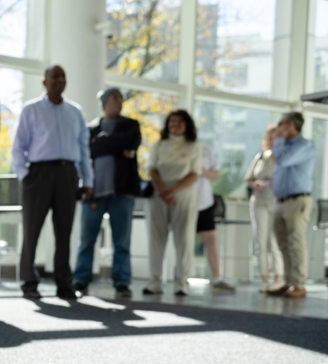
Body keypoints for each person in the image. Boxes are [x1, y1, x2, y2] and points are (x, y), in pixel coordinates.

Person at [12, 65, 93, 300]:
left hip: (68, 175)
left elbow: (83, 149)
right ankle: (29, 280)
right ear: (44, 82)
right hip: (38, 175)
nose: (59, 80)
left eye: (63, 76)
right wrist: (24, 176)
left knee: (64, 232)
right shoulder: (31, 110)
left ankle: (64, 284)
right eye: (54, 76)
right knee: (32, 229)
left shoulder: (75, 112)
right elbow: (18, 147)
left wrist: (87, 180)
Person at [72, 88, 141, 298]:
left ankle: (121, 282)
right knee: (87, 240)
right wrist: (116, 146)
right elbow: (87, 150)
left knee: (122, 241)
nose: (118, 102)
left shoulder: (131, 125)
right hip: (93, 192)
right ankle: (81, 280)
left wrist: (103, 142)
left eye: (120, 98)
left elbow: (130, 142)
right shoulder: (90, 128)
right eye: (113, 98)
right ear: (103, 103)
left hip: (122, 192)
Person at [143, 110, 202, 296]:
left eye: (179, 121)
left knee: (183, 239)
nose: (175, 125)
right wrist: (162, 190)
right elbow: (151, 169)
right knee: (156, 238)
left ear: (187, 125)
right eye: (172, 121)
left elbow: (194, 174)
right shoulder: (158, 145)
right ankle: (155, 280)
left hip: (182, 196)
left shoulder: (194, 147)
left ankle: (181, 281)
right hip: (158, 195)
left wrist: (172, 191)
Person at [267, 111, 315, 298]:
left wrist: (278, 140)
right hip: (280, 200)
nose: (278, 128)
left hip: (297, 200)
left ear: (291, 125)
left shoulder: (305, 145)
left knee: (295, 242)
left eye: (281, 124)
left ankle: (299, 284)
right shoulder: (284, 146)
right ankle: (289, 282)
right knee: (283, 243)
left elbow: (283, 160)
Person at [244, 125, 283, 292]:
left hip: (276, 204)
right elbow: (248, 178)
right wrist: (254, 184)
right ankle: (264, 280)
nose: (272, 141)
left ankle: (279, 279)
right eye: (270, 138)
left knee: (275, 242)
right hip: (259, 202)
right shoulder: (261, 157)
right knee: (261, 241)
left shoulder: (285, 158)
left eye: (275, 137)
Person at [195, 145, 236, 292]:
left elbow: (216, 174)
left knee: (211, 240)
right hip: (183, 202)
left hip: (204, 203)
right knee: (183, 242)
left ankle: (218, 278)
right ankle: (181, 278)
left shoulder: (205, 150)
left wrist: (202, 171)